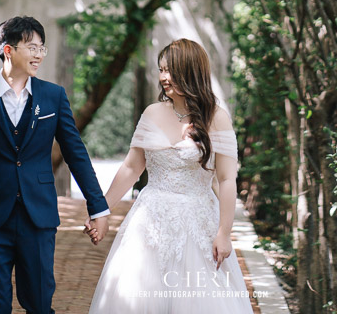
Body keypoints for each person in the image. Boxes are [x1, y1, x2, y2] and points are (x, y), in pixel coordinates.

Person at [0, 15, 109, 314]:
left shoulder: (53, 96)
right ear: (8, 50)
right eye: (31, 47)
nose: (39, 54)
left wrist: (97, 206)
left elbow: (75, 152)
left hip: (39, 218)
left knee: (38, 302)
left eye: (42, 48)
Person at [87, 38, 254, 313]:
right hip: (149, 222)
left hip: (198, 223)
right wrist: (101, 209)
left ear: (190, 72)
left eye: (171, 70)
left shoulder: (217, 118)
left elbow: (226, 180)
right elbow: (132, 167)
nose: (164, 77)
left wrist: (224, 232)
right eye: (161, 69)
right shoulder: (152, 113)